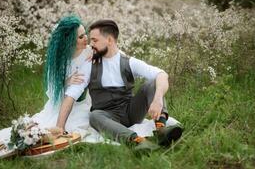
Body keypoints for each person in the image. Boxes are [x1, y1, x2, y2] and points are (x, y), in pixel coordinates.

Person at [0, 15, 93, 153]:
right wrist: (66, 81)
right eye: (80, 37)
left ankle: (11, 145)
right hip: (57, 106)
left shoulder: (89, 53)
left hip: (78, 106)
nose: (86, 38)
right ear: (69, 42)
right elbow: (51, 91)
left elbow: (76, 90)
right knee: (34, 130)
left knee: (53, 132)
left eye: (85, 34)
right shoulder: (59, 59)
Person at [56, 19, 183, 152]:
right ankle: (138, 141)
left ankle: (161, 130)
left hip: (131, 112)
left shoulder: (129, 62)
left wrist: (157, 100)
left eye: (95, 40)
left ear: (109, 40)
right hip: (107, 116)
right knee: (94, 116)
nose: (90, 44)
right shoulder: (89, 65)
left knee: (152, 83)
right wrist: (60, 126)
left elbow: (162, 75)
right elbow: (71, 95)